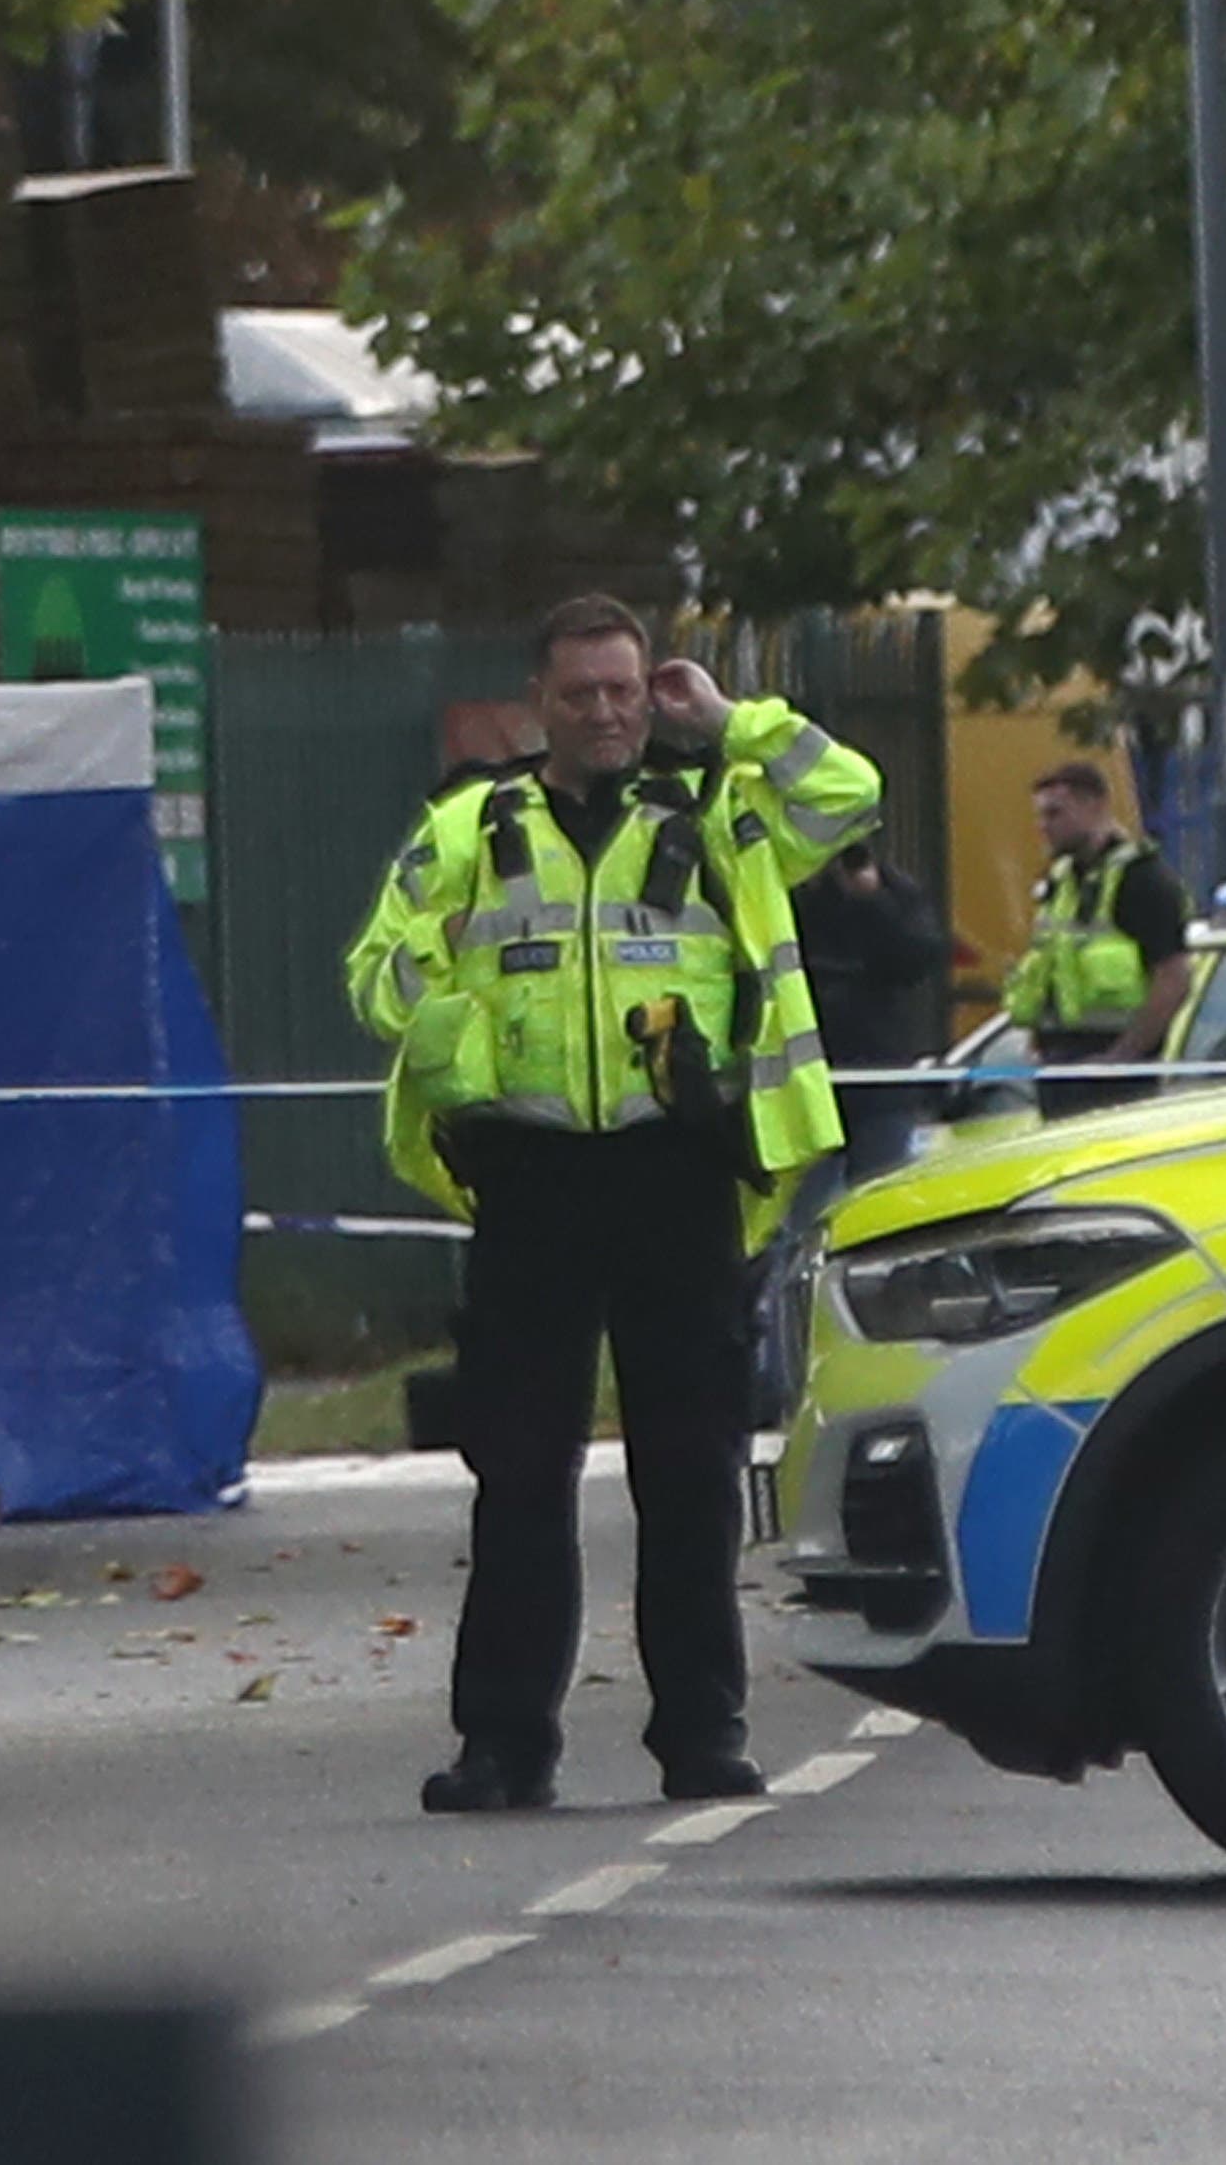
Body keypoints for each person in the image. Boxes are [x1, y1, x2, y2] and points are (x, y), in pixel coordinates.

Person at [345, 596, 880, 1815]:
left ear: (654, 695)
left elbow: (845, 797)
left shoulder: (719, 813)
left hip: (678, 1173)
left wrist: (734, 720)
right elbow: (379, 967)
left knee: (687, 1478)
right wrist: (441, 1022)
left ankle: (703, 1737)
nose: (604, 712)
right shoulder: (473, 827)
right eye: (580, 693)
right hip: (528, 1183)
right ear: (539, 701)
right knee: (518, 1476)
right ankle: (504, 1747)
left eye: (625, 691)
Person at [1002, 759, 1193, 1118]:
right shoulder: (1062, 879)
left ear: (1096, 805)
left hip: (1114, 1075)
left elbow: (1175, 976)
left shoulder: (1142, 880)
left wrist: (1123, 1055)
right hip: (1060, 1068)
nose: (1044, 827)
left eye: (1055, 814)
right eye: (1040, 816)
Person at [790, 844, 947, 1177]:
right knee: (798, 1211)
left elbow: (918, 957)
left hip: (879, 1082)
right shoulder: (791, 892)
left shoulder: (891, 889)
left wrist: (872, 899)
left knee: (877, 1195)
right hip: (806, 1083)